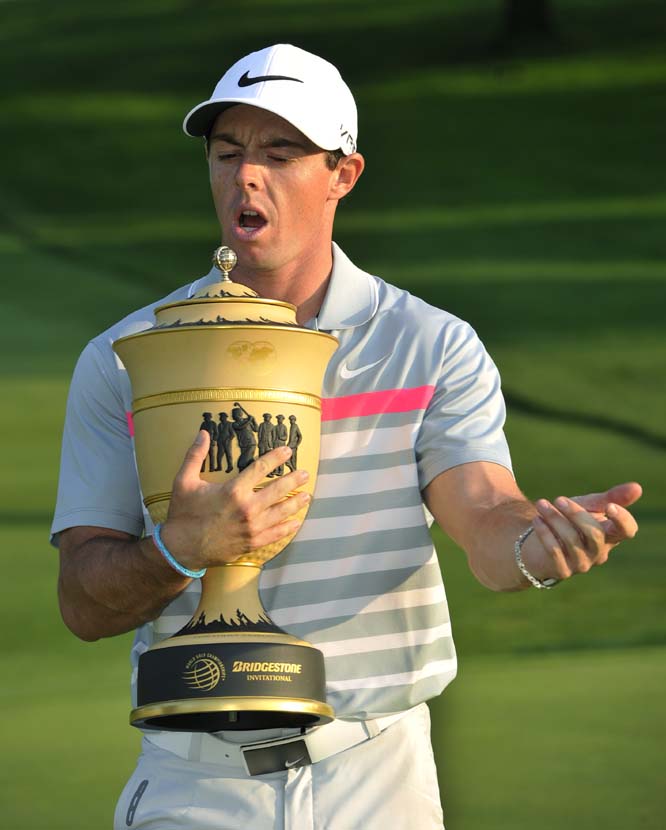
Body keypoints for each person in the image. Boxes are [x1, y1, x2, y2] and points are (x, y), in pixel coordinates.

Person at [51, 44, 642, 830]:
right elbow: (83, 603)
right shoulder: (126, 358)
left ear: (343, 174)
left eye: (280, 153)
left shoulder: (430, 344)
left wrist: (540, 545)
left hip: (377, 778)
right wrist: (177, 548)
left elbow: (485, 518)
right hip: (196, 783)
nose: (245, 176)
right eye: (227, 154)